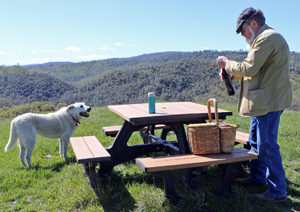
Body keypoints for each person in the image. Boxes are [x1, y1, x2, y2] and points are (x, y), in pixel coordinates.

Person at [217, 7, 292, 203]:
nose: (243, 35)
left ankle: (278, 192)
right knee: (256, 142)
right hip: (262, 101)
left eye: (243, 31)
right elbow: (255, 69)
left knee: (267, 146)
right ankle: (258, 178)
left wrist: (226, 63)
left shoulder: (267, 38)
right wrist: (233, 75)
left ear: (254, 24)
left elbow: (249, 67)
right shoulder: (264, 39)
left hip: (269, 102)